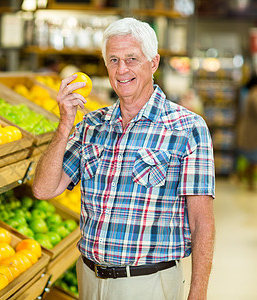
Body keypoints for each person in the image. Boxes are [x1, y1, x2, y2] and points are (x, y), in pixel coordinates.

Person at [32, 17, 215, 300]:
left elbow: (202, 222)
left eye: (132, 58)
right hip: (90, 279)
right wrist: (65, 124)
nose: (122, 70)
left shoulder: (187, 127)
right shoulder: (91, 124)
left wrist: (198, 292)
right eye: (113, 60)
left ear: (153, 63)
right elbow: (44, 189)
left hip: (148, 284)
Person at [236, 75, 257, 191]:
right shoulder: (254, 94)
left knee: (252, 159)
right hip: (252, 132)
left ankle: (241, 177)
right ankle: (247, 182)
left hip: (250, 130)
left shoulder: (249, 93)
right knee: (253, 159)